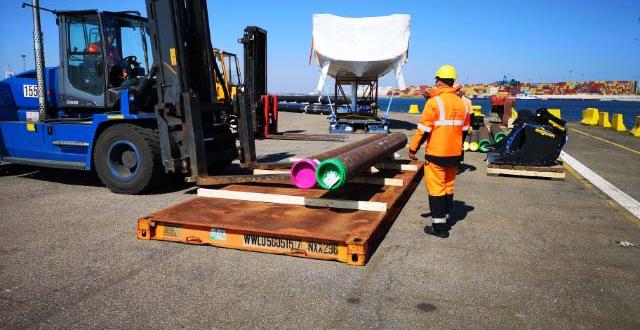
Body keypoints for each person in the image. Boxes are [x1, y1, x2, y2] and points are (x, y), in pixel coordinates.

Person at [407, 65, 470, 238]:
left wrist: (413, 149)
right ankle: (446, 216)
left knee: (436, 189)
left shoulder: (434, 102)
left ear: (438, 80)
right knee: (448, 186)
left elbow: (423, 129)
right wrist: (458, 150)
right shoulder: (463, 103)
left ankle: (439, 227)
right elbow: (464, 131)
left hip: (436, 153)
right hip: (455, 154)